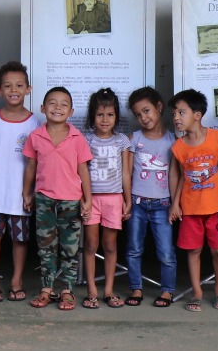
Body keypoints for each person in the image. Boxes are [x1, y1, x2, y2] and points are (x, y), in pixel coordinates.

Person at [0, 62, 42, 302]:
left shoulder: (35, 124)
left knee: (19, 239)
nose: (14, 90)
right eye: (8, 85)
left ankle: (16, 280)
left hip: (20, 194)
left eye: (19, 85)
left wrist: (31, 192)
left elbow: (38, 163)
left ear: (28, 89)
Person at [22, 86, 93, 312]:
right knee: (45, 247)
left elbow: (83, 170)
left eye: (63, 104)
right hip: (44, 199)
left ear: (71, 111)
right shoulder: (36, 136)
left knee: (69, 249)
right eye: (52, 103)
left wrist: (87, 199)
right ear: (43, 108)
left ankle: (67, 289)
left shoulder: (76, 138)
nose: (57, 107)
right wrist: (27, 192)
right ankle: (46, 288)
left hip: (71, 201)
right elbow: (31, 167)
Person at [168, 88, 218, 313]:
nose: (176, 118)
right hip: (190, 208)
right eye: (174, 113)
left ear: (197, 114)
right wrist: (175, 204)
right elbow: (179, 177)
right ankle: (197, 292)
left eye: (181, 112)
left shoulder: (217, 137)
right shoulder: (178, 147)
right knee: (193, 251)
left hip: (216, 206)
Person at [124, 86, 176, 307]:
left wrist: (175, 203)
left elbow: (176, 175)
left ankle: (167, 290)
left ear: (159, 107)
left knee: (165, 251)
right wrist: (126, 201)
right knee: (134, 249)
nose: (143, 118)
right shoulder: (134, 139)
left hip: (163, 204)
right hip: (137, 203)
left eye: (146, 111)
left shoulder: (174, 140)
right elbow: (127, 172)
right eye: (138, 114)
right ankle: (136, 288)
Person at [82, 87, 132, 309]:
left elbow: (126, 173)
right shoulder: (85, 140)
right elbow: (80, 172)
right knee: (91, 244)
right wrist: (84, 199)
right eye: (100, 114)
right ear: (93, 116)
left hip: (114, 199)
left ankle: (109, 289)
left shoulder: (121, 141)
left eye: (110, 115)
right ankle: (92, 289)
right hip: (91, 199)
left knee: (110, 245)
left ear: (116, 117)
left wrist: (127, 199)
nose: (105, 119)